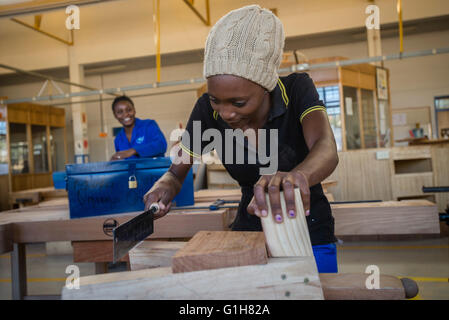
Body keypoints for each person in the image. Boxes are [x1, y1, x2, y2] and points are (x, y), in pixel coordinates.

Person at [143, 5, 339, 273]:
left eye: (238, 102)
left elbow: (325, 147)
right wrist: (165, 184)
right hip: (249, 228)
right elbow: (177, 171)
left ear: (266, 85)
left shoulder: (296, 90)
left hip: (307, 225)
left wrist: (297, 176)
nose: (225, 113)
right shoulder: (205, 110)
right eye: (216, 100)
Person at [111, 95, 167, 160]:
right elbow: (123, 162)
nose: (126, 114)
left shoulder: (148, 125)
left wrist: (133, 151)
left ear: (134, 110)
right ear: (115, 115)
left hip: (155, 170)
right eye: (120, 112)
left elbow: (161, 145)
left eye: (129, 110)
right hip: (131, 170)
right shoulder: (118, 139)